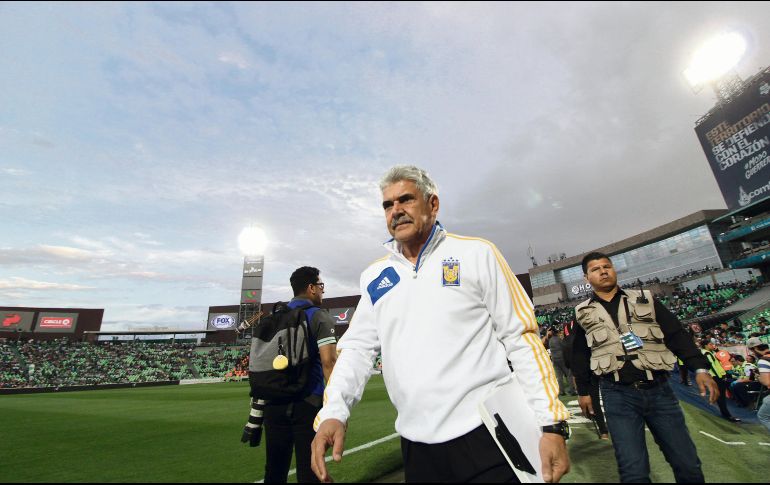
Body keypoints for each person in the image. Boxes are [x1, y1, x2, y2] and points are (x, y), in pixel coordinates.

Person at [311, 165, 570, 483]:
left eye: (406, 199)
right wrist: (335, 411)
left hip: (487, 434)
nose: (396, 211)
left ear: (432, 204)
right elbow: (357, 349)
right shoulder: (376, 277)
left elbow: (522, 337)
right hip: (417, 446)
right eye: (388, 204)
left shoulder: (476, 254)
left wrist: (552, 423)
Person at [569, 252, 720, 483]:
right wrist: (583, 392)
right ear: (586, 278)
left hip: (659, 390)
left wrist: (699, 369)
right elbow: (580, 355)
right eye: (596, 269)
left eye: (606, 266)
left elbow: (676, 334)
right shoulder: (582, 312)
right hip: (617, 394)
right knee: (634, 472)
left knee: (687, 464)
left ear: (614, 269)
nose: (603, 271)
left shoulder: (646, 298)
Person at [261, 267, 338, 483]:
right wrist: (335, 406)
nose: (322, 291)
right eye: (320, 286)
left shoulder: (275, 316)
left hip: (273, 404)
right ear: (311, 288)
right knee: (310, 468)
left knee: (274, 471)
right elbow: (329, 362)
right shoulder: (319, 316)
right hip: (308, 402)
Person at [700, 339, 741, 422]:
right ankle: (727, 415)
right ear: (706, 345)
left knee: (720, 396)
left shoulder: (706, 352)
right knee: (721, 396)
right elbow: (713, 367)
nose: (713, 346)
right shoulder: (707, 353)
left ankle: (725, 413)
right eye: (711, 344)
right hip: (717, 377)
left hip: (714, 376)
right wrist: (721, 377)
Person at [747, 337, 770, 432]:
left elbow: (767, 382)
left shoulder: (763, 360)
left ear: (755, 349)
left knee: (763, 416)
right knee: (765, 400)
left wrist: (757, 376)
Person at [546, 328, 576, 396]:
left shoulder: (550, 340)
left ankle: (561, 391)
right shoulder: (559, 339)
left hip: (554, 359)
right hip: (562, 359)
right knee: (569, 375)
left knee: (559, 377)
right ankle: (572, 390)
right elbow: (564, 347)